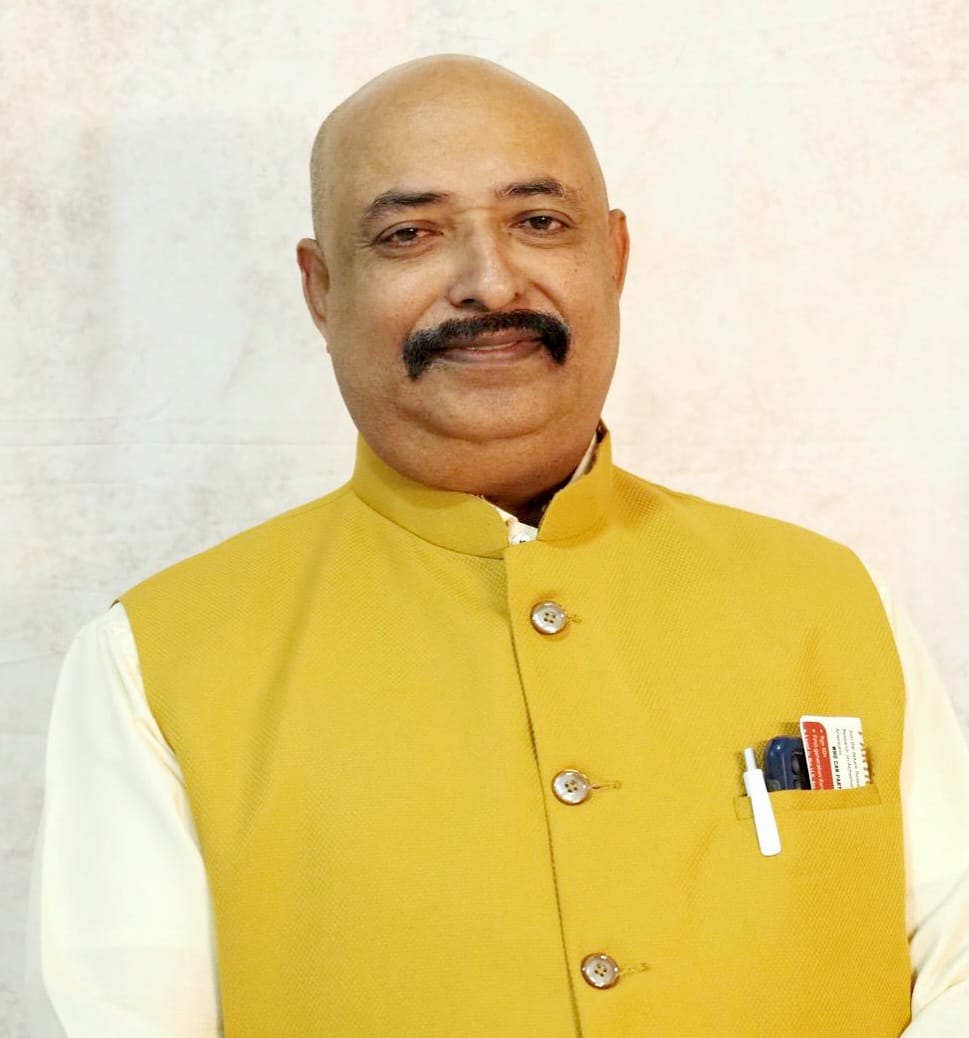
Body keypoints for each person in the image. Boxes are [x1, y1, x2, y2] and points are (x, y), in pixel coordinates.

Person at [25, 55, 968, 1037]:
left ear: (614, 256)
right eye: (409, 234)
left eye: (539, 222)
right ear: (322, 288)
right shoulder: (157, 660)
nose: (489, 281)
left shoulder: (827, 600)